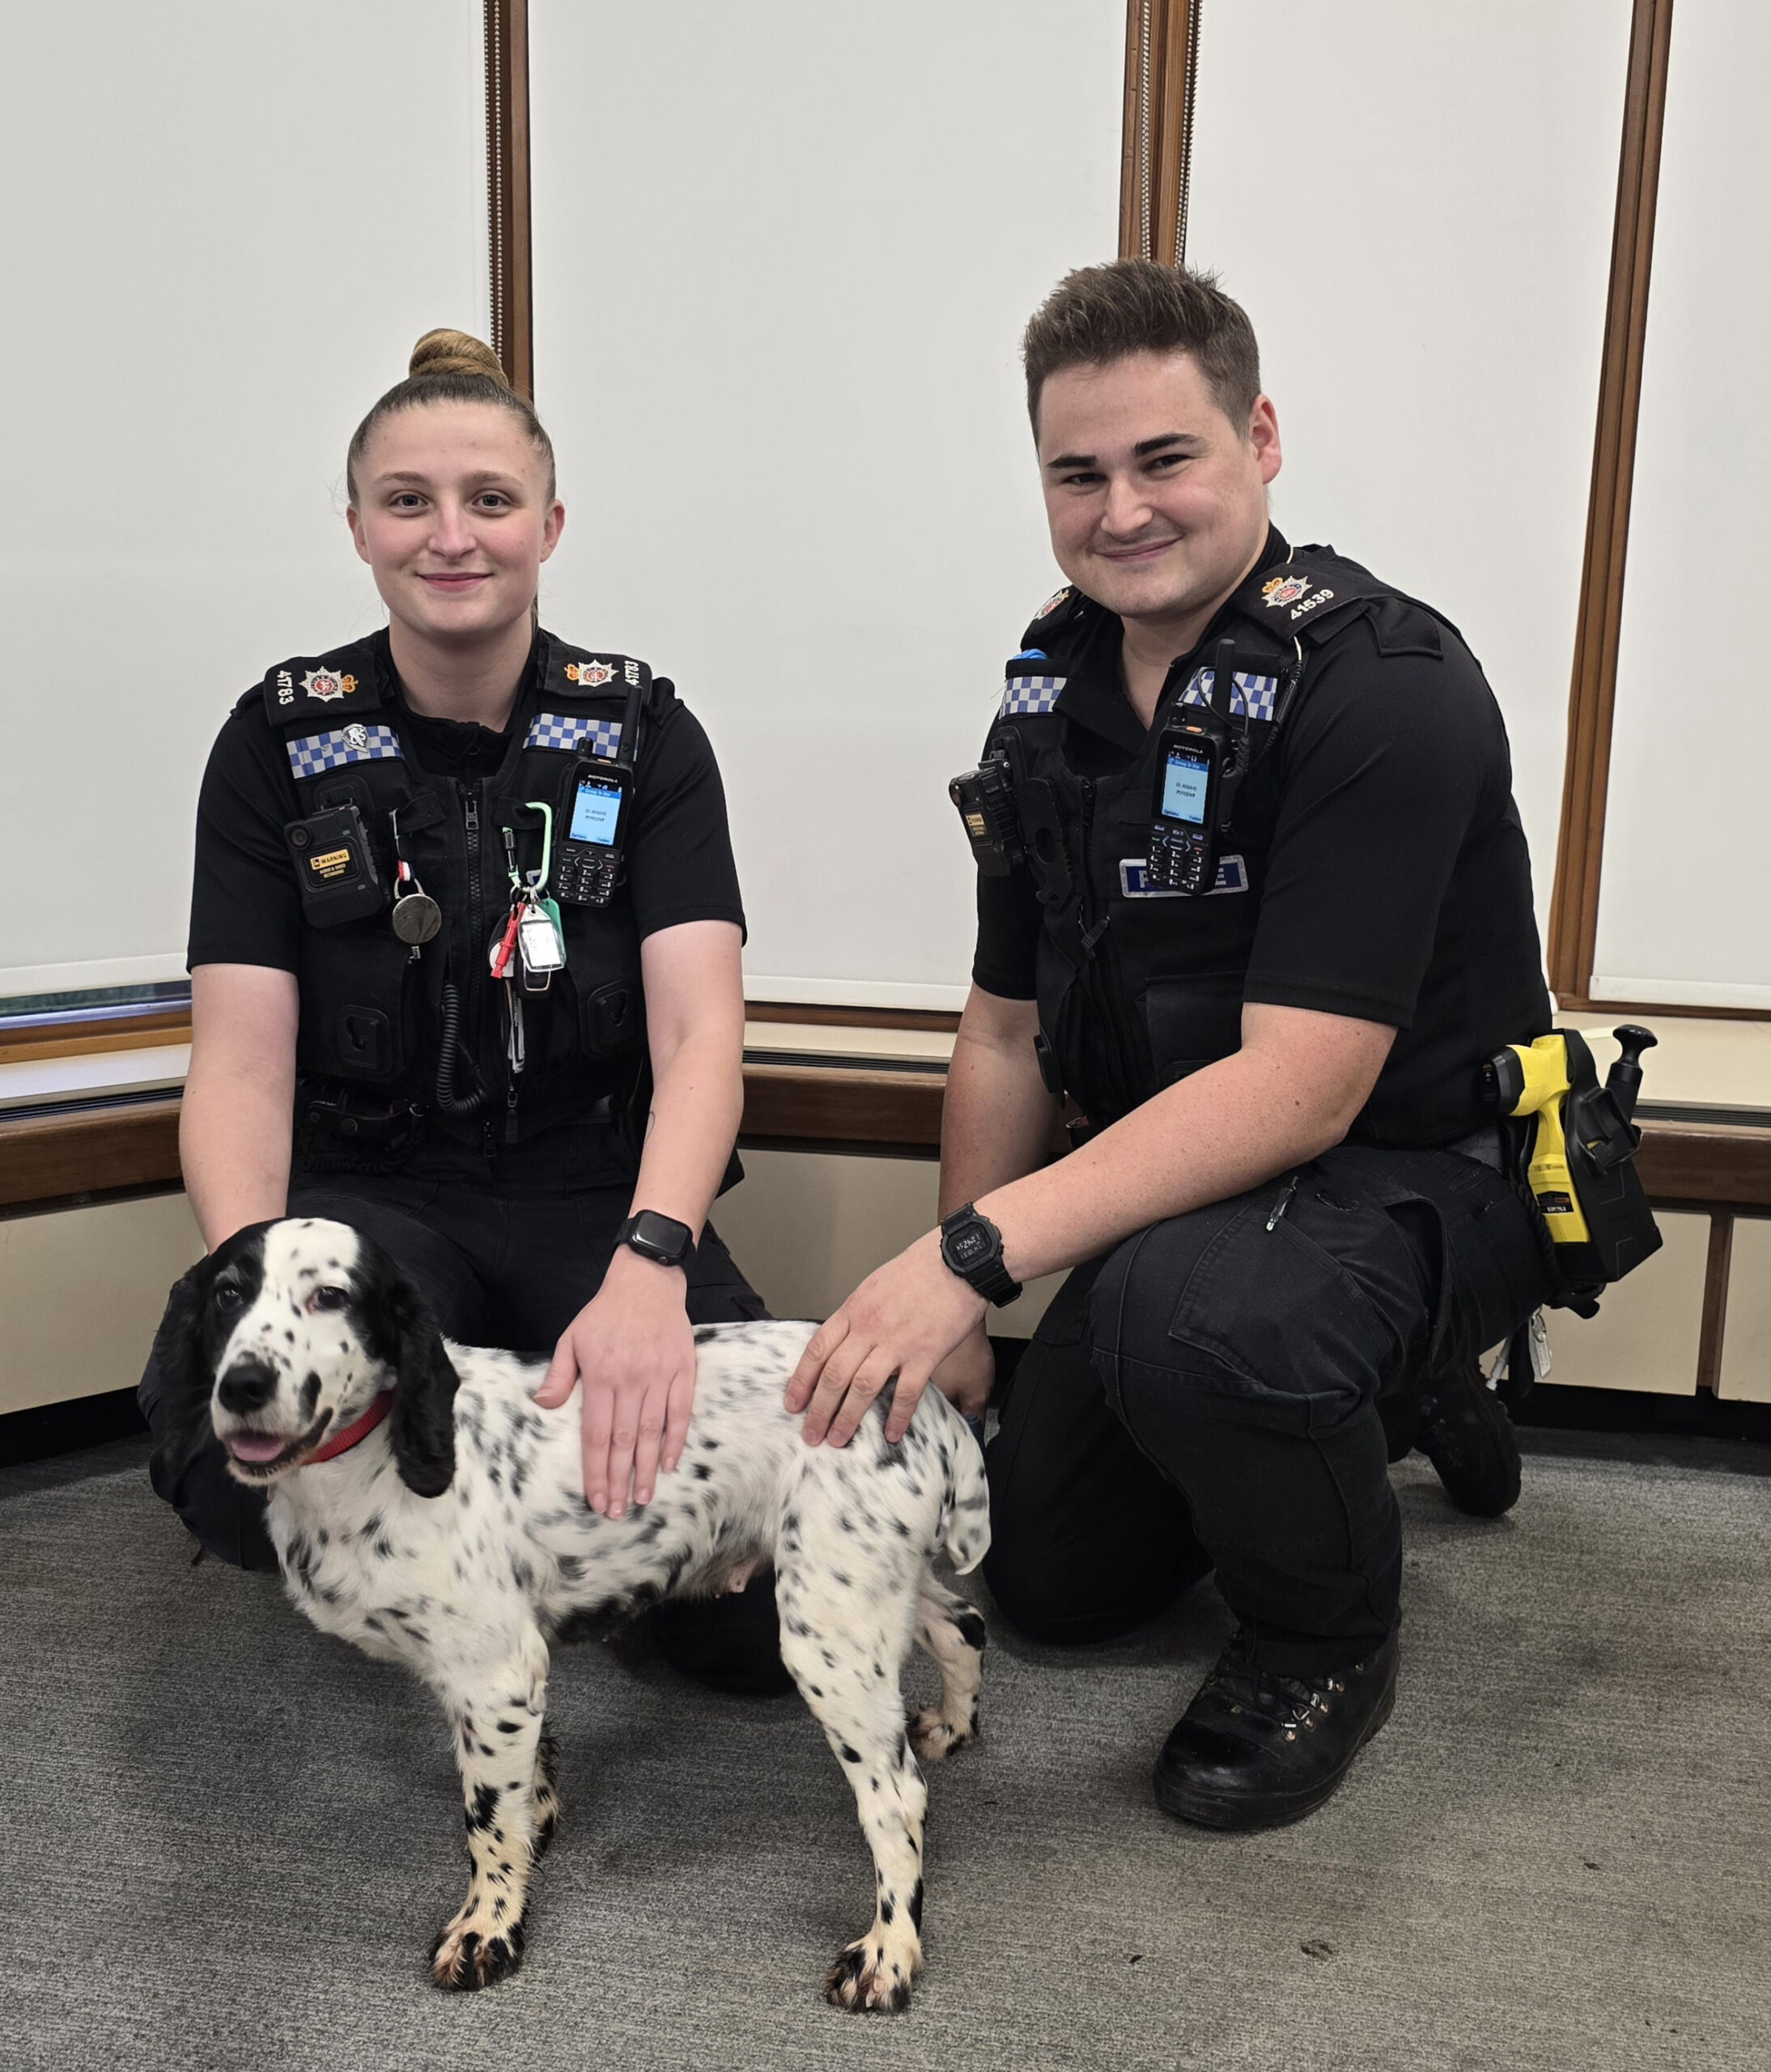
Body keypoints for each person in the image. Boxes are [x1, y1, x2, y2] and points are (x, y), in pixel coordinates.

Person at [785, 261, 1558, 1824]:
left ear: (1260, 437)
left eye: (1165, 460)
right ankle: (1380, 1399)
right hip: (1204, 1199)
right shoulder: (1053, 678)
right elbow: (1006, 1026)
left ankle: (1326, 1634)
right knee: (1055, 1578)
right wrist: (960, 1315)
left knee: (1188, 1321)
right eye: (1080, 473)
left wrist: (969, 1263)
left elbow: (1304, 1083)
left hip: (1419, 1165)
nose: (1121, 510)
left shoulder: (1388, 689)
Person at [140, 329, 785, 1692]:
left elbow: (700, 1039)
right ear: (360, 525)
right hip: (377, 1199)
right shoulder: (276, 745)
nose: (453, 538)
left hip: (594, 1197)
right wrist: (265, 1292)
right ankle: (490, 1556)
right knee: (220, 1470)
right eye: (409, 502)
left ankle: (504, 1548)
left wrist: (652, 1263)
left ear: (548, 525)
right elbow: (243, 1067)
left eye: (491, 501)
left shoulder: (645, 738)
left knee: (744, 1615)